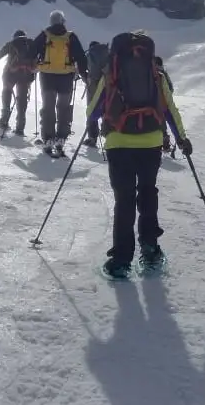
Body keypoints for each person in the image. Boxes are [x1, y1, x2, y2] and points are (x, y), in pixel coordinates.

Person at [86, 30, 191, 278]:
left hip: (118, 143)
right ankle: (151, 250)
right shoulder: (156, 73)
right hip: (151, 143)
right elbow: (169, 109)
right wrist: (181, 138)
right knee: (147, 193)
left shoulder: (111, 72)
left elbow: (93, 112)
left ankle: (121, 261)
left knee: (124, 199)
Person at [30, 10, 89, 156]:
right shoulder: (70, 37)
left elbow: (31, 51)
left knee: (48, 107)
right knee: (63, 108)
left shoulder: (44, 35)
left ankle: (48, 138)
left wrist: (34, 64)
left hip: (47, 77)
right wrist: (83, 73)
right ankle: (61, 138)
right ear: (63, 21)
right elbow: (81, 57)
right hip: (66, 78)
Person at [0, 29, 39, 135]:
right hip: (26, 75)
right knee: (22, 98)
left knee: (7, 91)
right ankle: (20, 126)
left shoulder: (12, 44)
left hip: (11, 74)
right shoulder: (31, 45)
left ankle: (4, 118)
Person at [83, 40, 111, 148]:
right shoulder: (107, 54)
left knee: (92, 108)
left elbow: (83, 68)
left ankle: (92, 137)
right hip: (107, 85)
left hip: (93, 86)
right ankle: (108, 135)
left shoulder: (90, 54)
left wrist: (85, 78)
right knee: (106, 109)